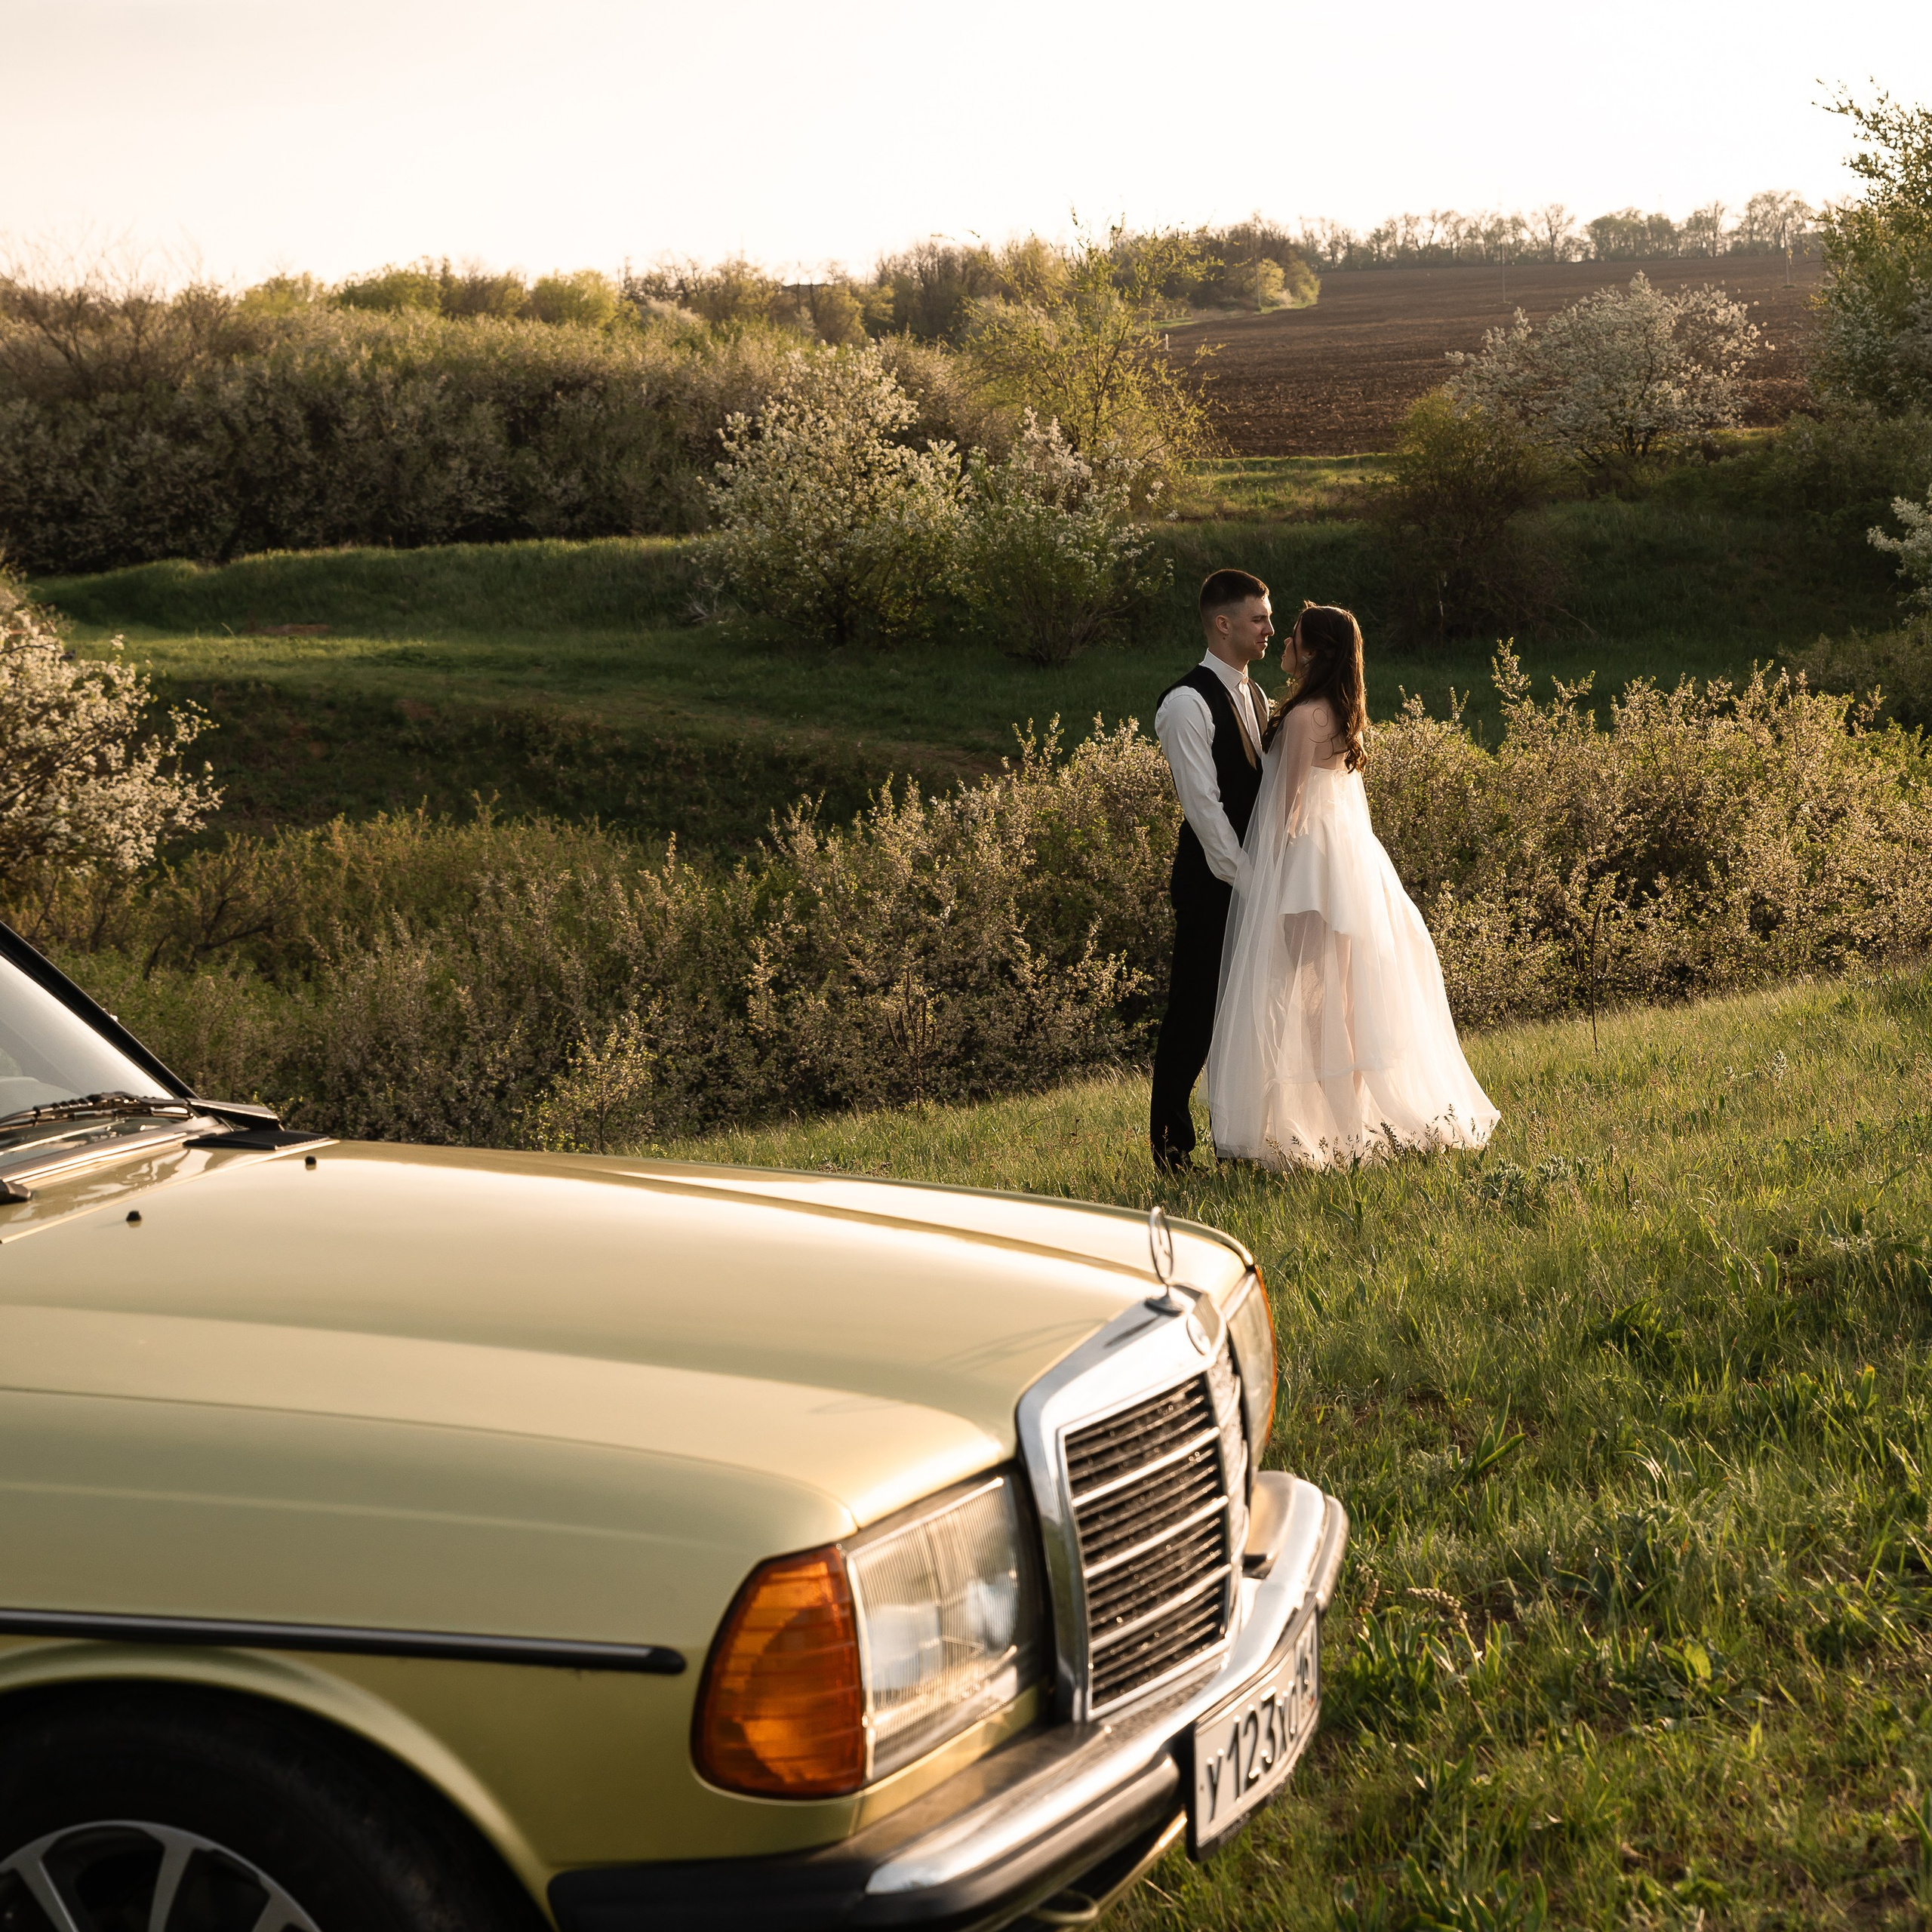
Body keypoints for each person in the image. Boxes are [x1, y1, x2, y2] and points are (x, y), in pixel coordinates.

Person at [1208, 603, 1499, 1168]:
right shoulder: (1340, 713)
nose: (1283, 644)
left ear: (1312, 652)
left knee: (1309, 1008)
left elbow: (1287, 810)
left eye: (1292, 638)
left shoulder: (1300, 719)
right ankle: (1351, 1128)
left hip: (1310, 873)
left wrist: (1264, 879)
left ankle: (1342, 1137)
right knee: (1337, 1007)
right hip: (1347, 868)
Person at [1149, 568, 1275, 1171]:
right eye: (1260, 618)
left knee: (1252, 1014)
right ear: (1223, 624)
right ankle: (1171, 1151)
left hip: (1257, 881)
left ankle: (1242, 1140)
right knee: (1193, 1017)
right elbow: (1205, 813)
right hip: (1210, 886)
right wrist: (1255, 887)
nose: (1270, 629)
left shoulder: (1256, 696)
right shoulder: (1184, 704)